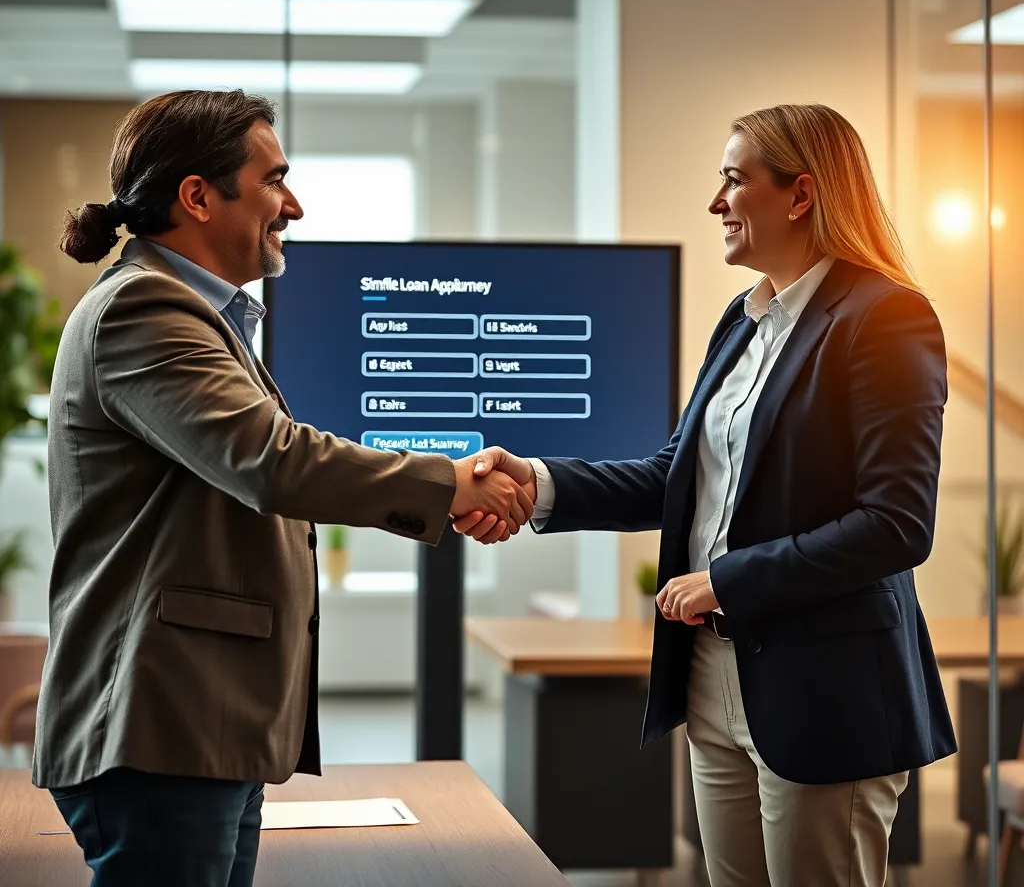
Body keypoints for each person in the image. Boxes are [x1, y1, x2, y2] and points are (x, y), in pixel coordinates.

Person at [34, 88, 533, 887]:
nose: (293, 204)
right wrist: (448, 482)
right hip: (160, 725)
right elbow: (274, 461)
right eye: (274, 179)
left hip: (202, 723)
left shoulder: (202, 315)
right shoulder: (143, 308)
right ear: (196, 196)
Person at [457, 103, 956, 886]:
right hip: (715, 673)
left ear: (799, 195)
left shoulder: (885, 317)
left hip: (825, 687)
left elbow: (895, 525)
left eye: (733, 180)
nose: (716, 203)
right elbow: (677, 477)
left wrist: (727, 579)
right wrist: (541, 482)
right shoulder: (744, 319)